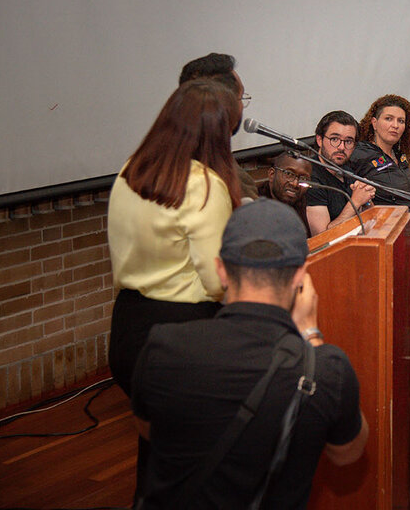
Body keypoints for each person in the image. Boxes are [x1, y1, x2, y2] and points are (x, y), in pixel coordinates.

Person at [131, 199, 368, 509]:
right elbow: (348, 452)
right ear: (300, 276)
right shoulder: (325, 368)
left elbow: (150, 429)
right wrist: (311, 334)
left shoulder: (163, 346)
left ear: (221, 270)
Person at [107, 79, 243, 497]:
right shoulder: (204, 185)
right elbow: (217, 280)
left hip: (129, 326)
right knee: (201, 461)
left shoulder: (132, 169)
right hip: (185, 330)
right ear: (217, 133)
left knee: (158, 452)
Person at [178, 52, 259, 200]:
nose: (242, 106)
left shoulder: (139, 169)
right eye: (241, 98)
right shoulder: (232, 183)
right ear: (228, 105)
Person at [305, 111, 376, 236]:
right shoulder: (311, 178)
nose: (341, 147)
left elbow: (372, 220)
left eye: (348, 141)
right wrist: (355, 203)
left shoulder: (347, 170)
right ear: (319, 140)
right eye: (335, 139)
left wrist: (366, 200)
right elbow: (322, 239)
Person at [349, 94, 410, 207]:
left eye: (401, 121)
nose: (395, 125)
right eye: (389, 119)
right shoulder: (361, 154)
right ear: (374, 123)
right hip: (390, 220)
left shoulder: (399, 155)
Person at [258, 151, 312, 235]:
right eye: (289, 174)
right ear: (272, 174)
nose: (295, 184)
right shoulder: (255, 205)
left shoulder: (304, 202)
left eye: (303, 179)